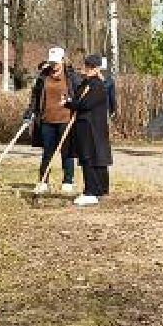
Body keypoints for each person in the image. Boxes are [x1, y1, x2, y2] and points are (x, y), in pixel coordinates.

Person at [63, 53, 115, 206]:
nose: (87, 69)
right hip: (85, 126)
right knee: (90, 157)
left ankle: (92, 191)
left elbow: (85, 104)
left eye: (90, 67)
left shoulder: (98, 85)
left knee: (90, 158)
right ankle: (97, 189)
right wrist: (71, 102)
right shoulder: (85, 84)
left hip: (92, 127)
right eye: (87, 65)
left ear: (96, 69)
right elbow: (78, 99)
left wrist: (69, 104)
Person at [28, 47, 77, 193]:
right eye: (51, 62)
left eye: (56, 62)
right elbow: (35, 97)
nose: (53, 65)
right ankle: (43, 182)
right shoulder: (43, 77)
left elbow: (79, 94)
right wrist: (29, 113)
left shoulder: (71, 76)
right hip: (46, 120)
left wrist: (75, 105)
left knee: (66, 152)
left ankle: (68, 181)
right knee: (47, 152)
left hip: (65, 119)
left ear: (63, 60)